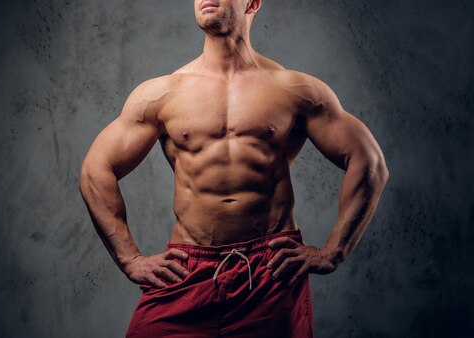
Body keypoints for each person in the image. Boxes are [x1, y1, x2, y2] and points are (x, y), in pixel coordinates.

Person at [79, 0, 389, 336]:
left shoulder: (295, 90)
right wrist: (130, 259)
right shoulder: (162, 93)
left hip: (271, 274)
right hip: (185, 274)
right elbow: (95, 170)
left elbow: (369, 163)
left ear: (253, 3)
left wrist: (334, 251)